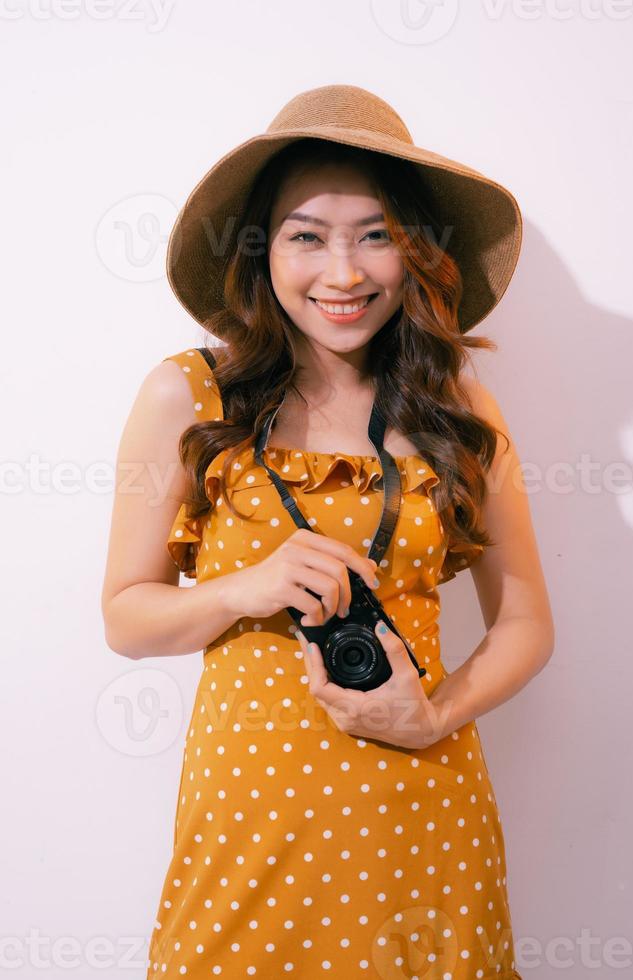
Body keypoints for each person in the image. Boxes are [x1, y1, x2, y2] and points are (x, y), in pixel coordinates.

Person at [102, 85, 554, 979]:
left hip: (425, 825)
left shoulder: (459, 409)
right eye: (307, 235)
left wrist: (436, 717)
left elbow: (528, 619)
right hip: (251, 834)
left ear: (415, 248)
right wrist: (246, 587)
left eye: (375, 234)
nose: (343, 273)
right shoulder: (187, 396)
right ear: (261, 251)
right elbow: (125, 616)